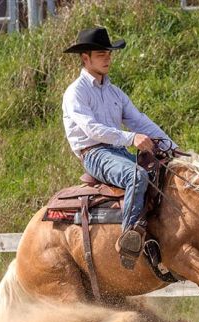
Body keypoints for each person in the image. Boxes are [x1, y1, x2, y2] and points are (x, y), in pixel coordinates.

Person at [62, 27, 178, 269]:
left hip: (117, 151)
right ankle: (129, 238)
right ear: (86, 58)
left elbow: (139, 120)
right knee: (135, 175)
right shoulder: (76, 93)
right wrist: (131, 138)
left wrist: (174, 149)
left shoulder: (115, 93)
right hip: (94, 153)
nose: (107, 58)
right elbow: (92, 129)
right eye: (101, 53)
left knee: (164, 173)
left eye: (109, 53)